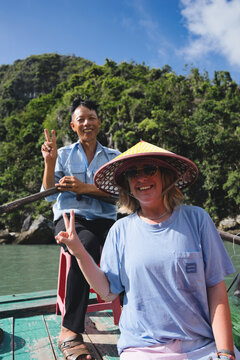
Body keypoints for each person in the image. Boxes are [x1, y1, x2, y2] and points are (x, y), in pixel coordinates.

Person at [55, 140, 240, 360]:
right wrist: (78, 251)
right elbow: (107, 290)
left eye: (149, 169)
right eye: (133, 173)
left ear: (165, 176)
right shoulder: (120, 230)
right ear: (127, 185)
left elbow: (216, 290)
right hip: (142, 348)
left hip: (202, 346)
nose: (141, 178)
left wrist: (226, 352)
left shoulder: (197, 220)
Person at [41, 96, 120, 360]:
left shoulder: (113, 158)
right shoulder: (62, 154)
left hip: (106, 221)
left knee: (130, 245)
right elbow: (50, 196)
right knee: (81, 245)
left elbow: (119, 196)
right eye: (81, 120)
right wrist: (49, 162)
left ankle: (138, 317)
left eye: (91, 118)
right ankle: (69, 331)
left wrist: (85, 188)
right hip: (70, 219)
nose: (87, 123)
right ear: (73, 127)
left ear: (99, 122)